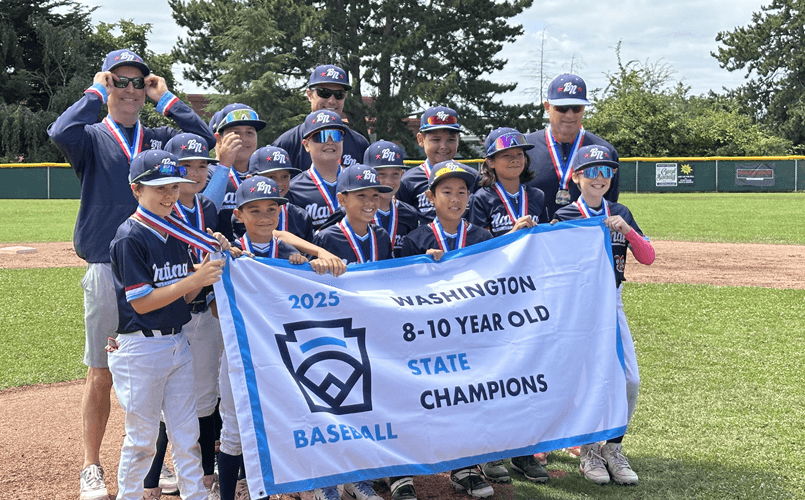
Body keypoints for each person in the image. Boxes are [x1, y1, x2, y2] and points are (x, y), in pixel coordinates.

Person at [47, 48, 216, 500]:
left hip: (160, 263)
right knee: (101, 369)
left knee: (162, 361)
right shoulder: (91, 136)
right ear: (107, 85)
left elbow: (204, 141)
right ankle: (91, 466)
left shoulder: (156, 139)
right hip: (108, 267)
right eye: (118, 81)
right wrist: (94, 91)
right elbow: (59, 131)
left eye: (137, 82)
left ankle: (153, 465)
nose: (129, 89)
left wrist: (167, 99)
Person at [108, 149, 230, 500]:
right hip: (142, 347)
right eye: (159, 187)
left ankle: (195, 495)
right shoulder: (130, 236)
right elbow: (142, 302)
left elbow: (184, 299)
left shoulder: (175, 233)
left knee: (187, 435)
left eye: (174, 186)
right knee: (142, 440)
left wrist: (207, 267)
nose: (169, 195)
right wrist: (195, 279)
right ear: (136, 189)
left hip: (177, 342)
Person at [553, 144, 655, 486]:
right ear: (576, 177)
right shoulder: (566, 216)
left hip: (612, 302)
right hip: (577, 306)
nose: (600, 178)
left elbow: (648, 257)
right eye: (592, 172)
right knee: (585, 380)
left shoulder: (620, 211)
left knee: (629, 380)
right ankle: (588, 451)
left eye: (607, 171)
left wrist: (627, 229)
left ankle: (613, 448)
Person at [399, 161, 494, 500]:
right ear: (430, 197)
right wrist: (421, 269)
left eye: (462, 192)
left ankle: (465, 467)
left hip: (469, 334)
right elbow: (400, 293)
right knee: (418, 399)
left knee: (466, 398)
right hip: (427, 335)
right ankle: (402, 472)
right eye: (447, 192)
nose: (455, 199)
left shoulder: (482, 238)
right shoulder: (415, 240)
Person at [139, 133, 222, 499]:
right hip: (168, 316)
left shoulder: (209, 207)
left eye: (202, 166)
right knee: (159, 404)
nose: (196, 173)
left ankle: (205, 477)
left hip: (202, 312)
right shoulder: (161, 212)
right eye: (186, 167)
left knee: (205, 398)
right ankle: (150, 481)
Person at [309, 163, 393, 500]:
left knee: (365, 409)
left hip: (370, 331)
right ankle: (327, 480)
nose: (370, 202)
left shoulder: (381, 236)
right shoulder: (326, 238)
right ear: (342, 199)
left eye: (375, 195)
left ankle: (357, 478)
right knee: (332, 408)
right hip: (336, 334)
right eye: (361, 196)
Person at [524, 73, 620, 220]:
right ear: (547, 107)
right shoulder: (525, 148)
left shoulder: (604, 151)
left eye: (576, 108)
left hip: (585, 233)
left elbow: (609, 204)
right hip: (537, 233)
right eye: (562, 108)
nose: (569, 115)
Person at [273, 64, 369, 170]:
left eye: (339, 94)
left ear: (345, 97)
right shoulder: (286, 144)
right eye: (324, 93)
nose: (332, 101)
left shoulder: (360, 144)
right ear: (309, 95)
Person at [397, 106, 474, 224]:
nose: (443, 146)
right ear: (421, 139)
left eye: (451, 140)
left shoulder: (471, 177)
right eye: (436, 140)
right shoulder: (408, 181)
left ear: (458, 140)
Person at [467, 128, 548, 238]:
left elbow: (544, 237)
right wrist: (513, 234)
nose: (515, 159)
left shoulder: (537, 196)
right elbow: (480, 244)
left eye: (519, 154)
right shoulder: (481, 199)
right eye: (506, 155)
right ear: (490, 162)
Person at [206, 103, 266, 241]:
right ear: (219, 139)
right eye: (235, 133)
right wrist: (225, 165)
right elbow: (205, 214)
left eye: (249, 132)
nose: (243, 139)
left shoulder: (265, 174)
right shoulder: (206, 173)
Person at [286, 110, 348, 231]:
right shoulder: (294, 189)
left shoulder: (358, 182)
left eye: (335, 135)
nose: (330, 142)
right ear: (306, 145)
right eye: (321, 136)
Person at [236, 145, 313, 241]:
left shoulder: (301, 216)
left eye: (285, 176)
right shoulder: (243, 215)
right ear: (250, 179)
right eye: (271, 177)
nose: (279, 183)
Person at [363, 140, 419, 257]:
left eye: (395, 174)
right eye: (381, 174)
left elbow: (415, 251)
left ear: (402, 174)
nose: (388, 182)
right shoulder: (353, 211)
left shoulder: (409, 213)